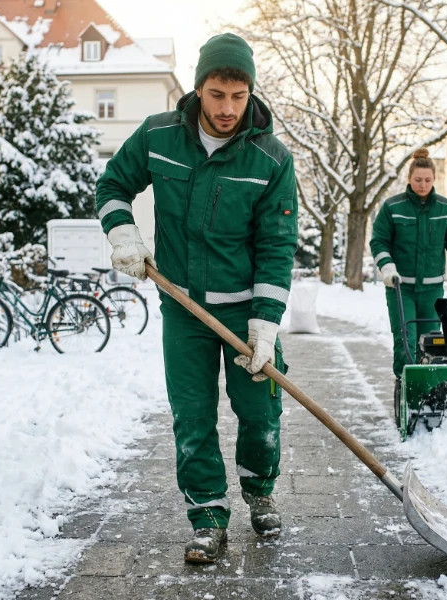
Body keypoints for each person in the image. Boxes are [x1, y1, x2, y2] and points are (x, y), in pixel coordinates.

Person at [95, 33, 298, 564]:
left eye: (238, 95)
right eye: (216, 94)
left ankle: (259, 490)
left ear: (250, 91)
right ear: (198, 89)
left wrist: (266, 323)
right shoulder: (159, 135)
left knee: (260, 413)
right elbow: (113, 186)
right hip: (182, 305)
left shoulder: (271, 159)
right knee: (192, 415)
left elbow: (277, 246)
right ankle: (207, 516)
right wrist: (122, 233)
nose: (228, 108)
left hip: (244, 308)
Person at [369, 148, 447, 398]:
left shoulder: (446, 208)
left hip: (432, 289)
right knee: (405, 338)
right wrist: (388, 268)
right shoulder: (393, 207)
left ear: (434, 179)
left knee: (430, 341)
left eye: (427, 180)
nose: (422, 184)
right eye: (418, 180)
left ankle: (428, 389)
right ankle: (405, 388)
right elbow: (379, 241)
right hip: (400, 287)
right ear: (409, 179)